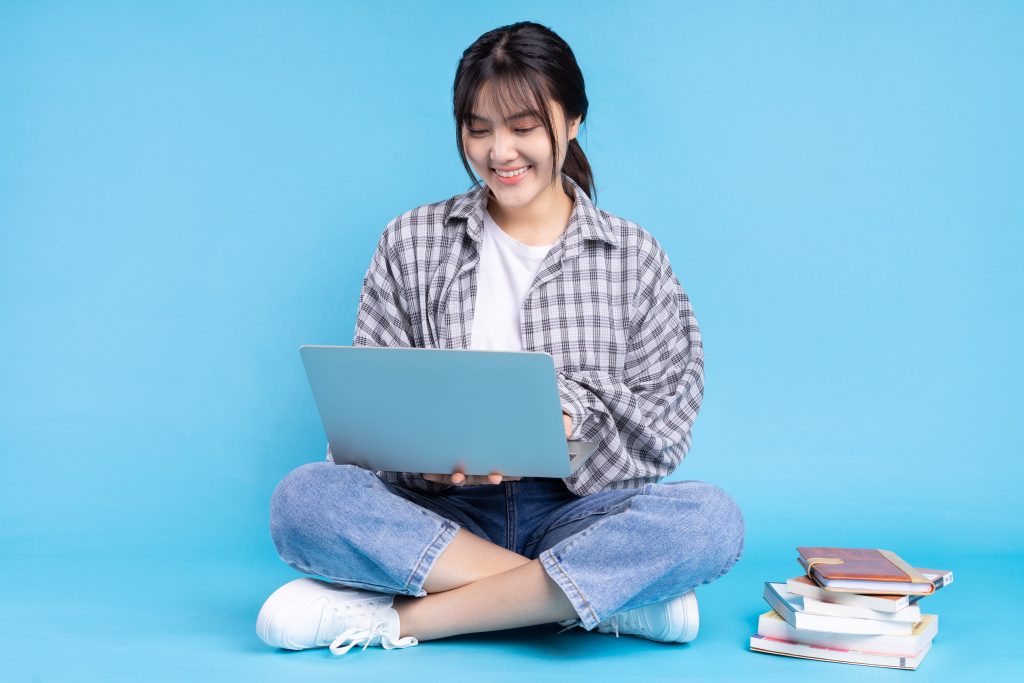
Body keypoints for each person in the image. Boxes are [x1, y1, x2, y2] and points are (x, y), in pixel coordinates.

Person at [256, 21, 744, 656]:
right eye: (479, 129)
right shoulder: (411, 241)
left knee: (711, 519)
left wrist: (572, 425)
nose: (500, 152)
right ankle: (590, 604)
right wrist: (418, 455)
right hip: (444, 515)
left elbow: (667, 422)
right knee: (304, 499)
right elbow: (367, 421)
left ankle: (400, 621)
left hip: (576, 514)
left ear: (571, 122)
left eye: (523, 127)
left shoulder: (631, 255)